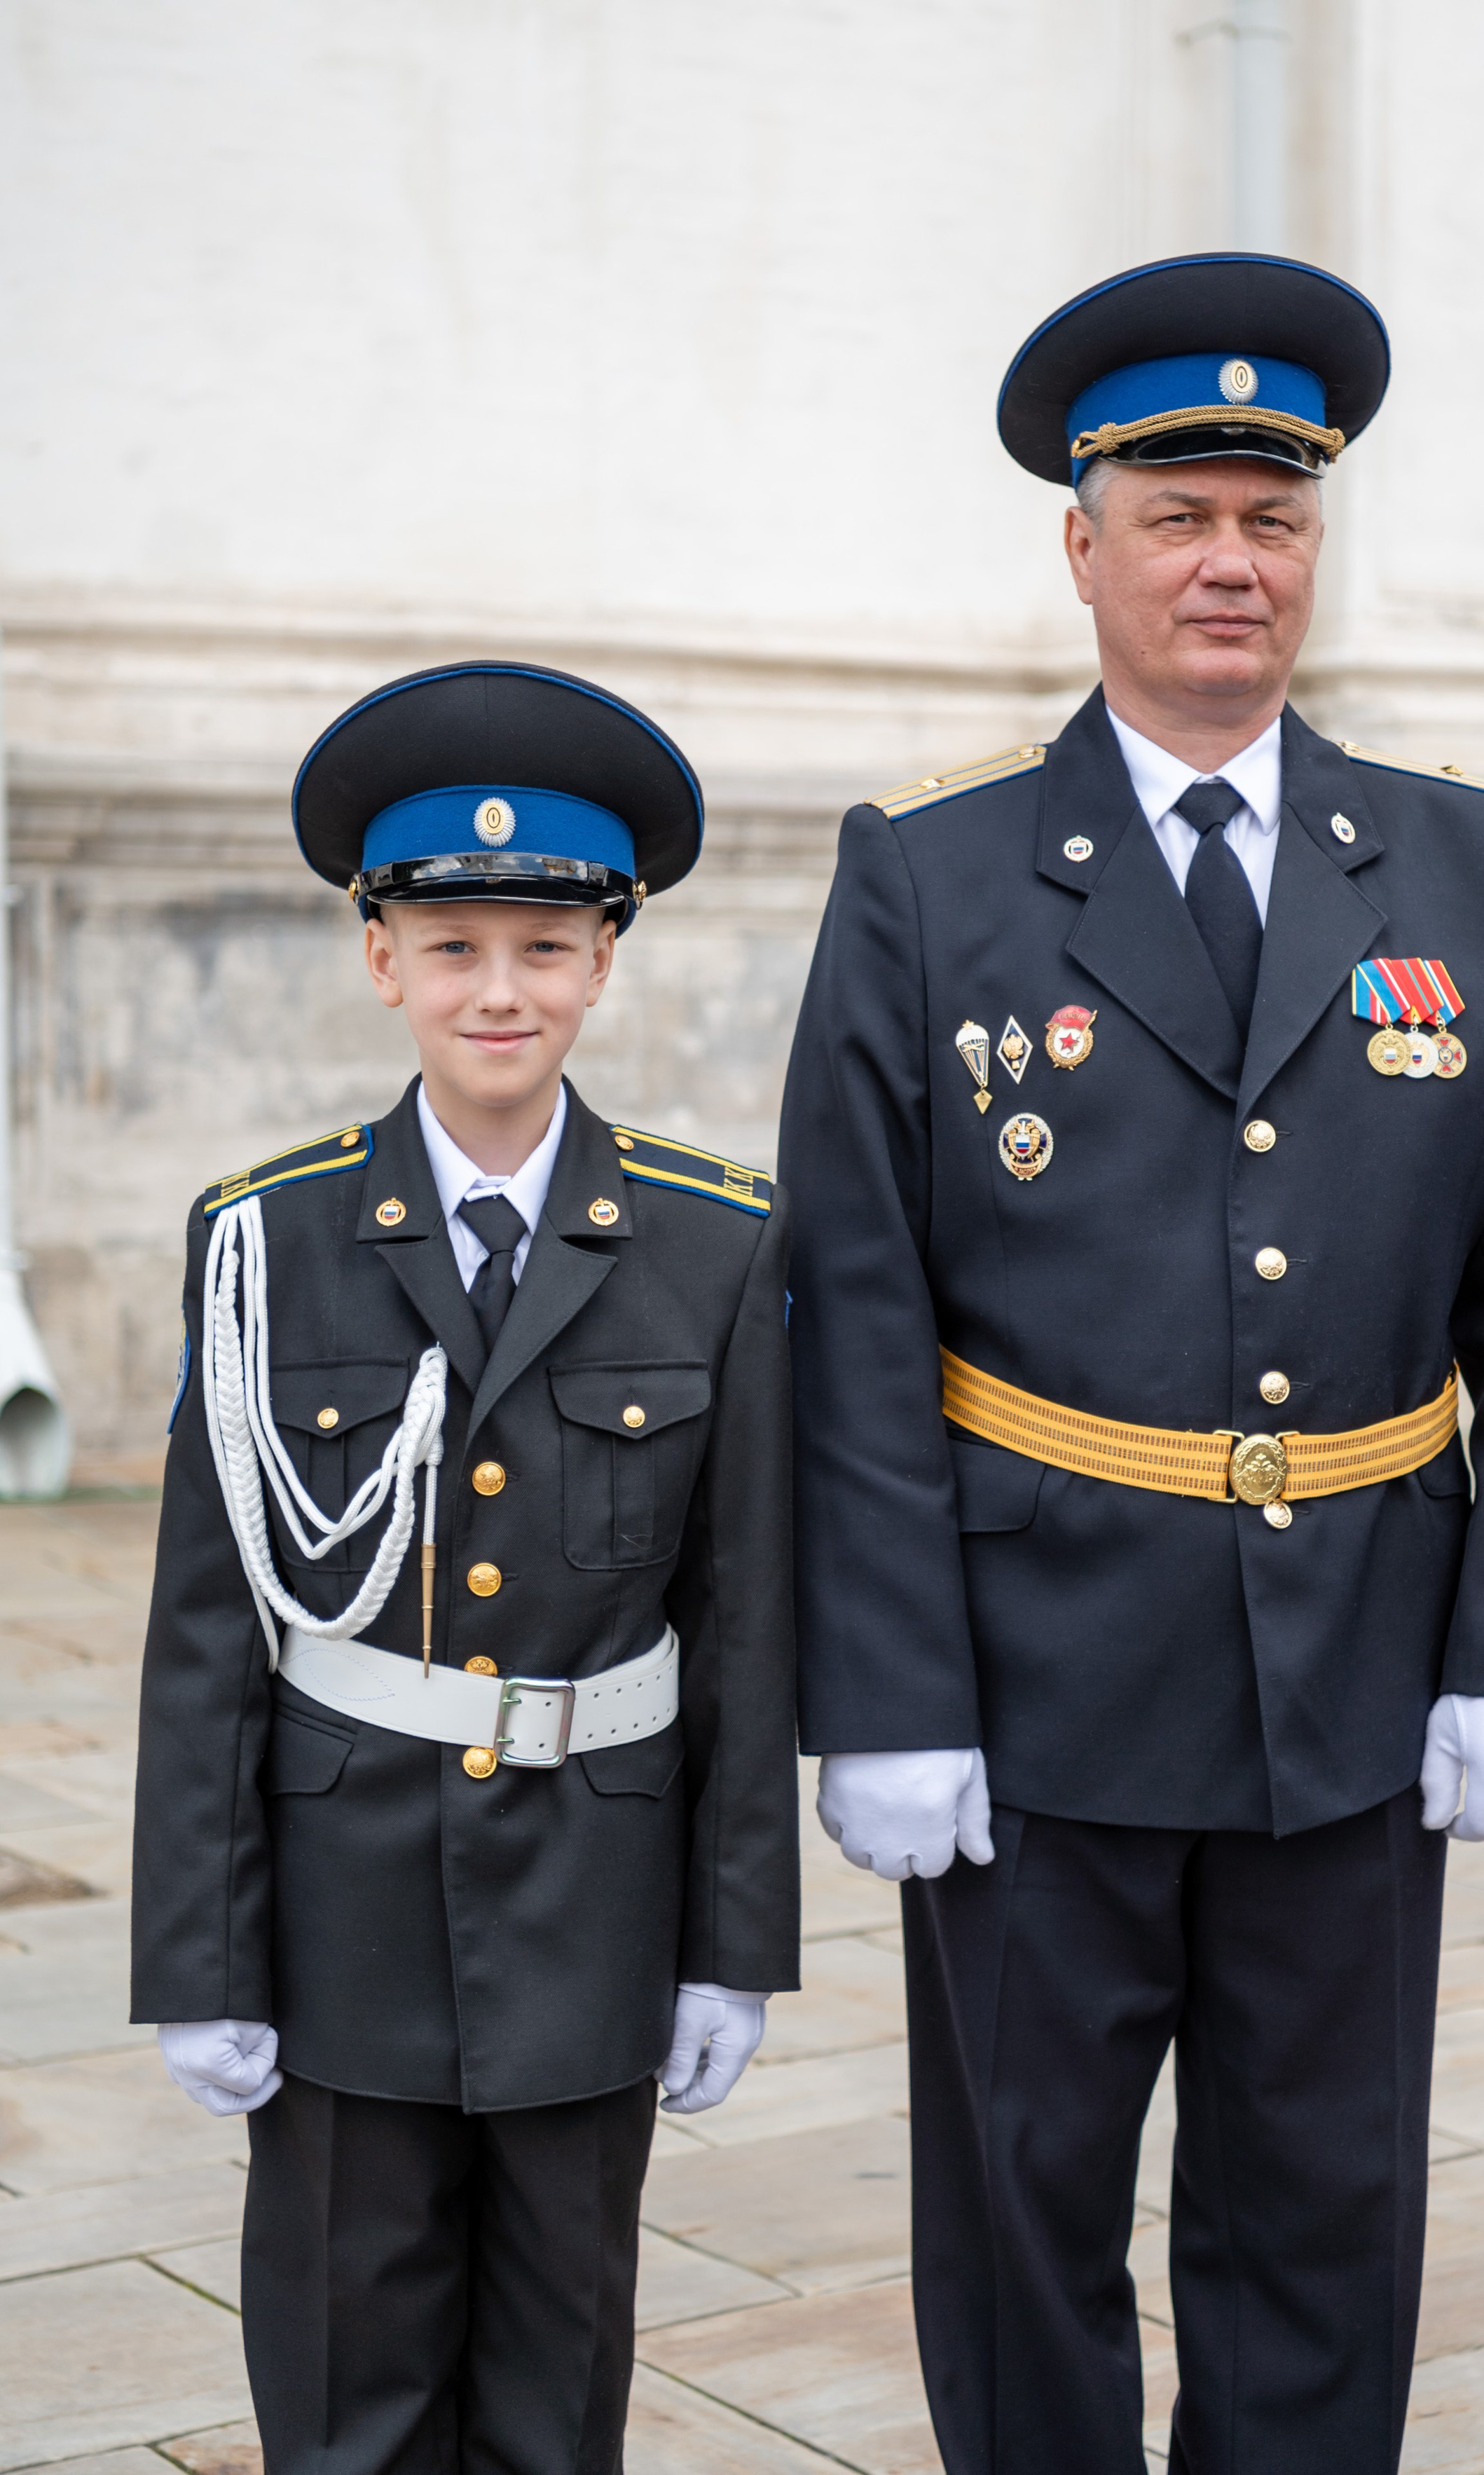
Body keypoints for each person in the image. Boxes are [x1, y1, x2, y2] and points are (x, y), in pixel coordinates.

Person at [778, 256, 1484, 2474]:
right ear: (1085, 546)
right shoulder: (934, 871)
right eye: (1178, 516)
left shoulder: (1465, 856)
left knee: (1326, 2215)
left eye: (1274, 515)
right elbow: (852, 1308)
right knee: (1022, 2217)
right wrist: (883, 1690)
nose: (1232, 559)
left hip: (1358, 1668)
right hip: (1035, 1683)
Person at [131, 660, 799, 2475]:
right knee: (345, 2392)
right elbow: (206, 1632)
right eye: (452, 947)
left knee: (557, 2397)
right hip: (339, 1917)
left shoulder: (716, 1243)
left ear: (605, 961)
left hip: (599, 1911)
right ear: (380, 959)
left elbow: (746, 1622)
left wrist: (736, 1944)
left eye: (544, 947)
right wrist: (202, 1953)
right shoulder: (265, 1238)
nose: (500, 990)